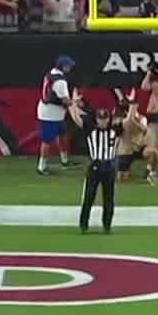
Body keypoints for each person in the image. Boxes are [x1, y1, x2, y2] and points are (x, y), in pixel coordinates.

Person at [68, 99, 120, 235]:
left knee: (109, 199)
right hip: (95, 166)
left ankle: (107, 226)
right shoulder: (90, 130)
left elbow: (127, 119)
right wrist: (72, 104)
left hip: (109, 166)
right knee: (89, 196)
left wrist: (132, 104)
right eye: (100, 119)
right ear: (96, 119)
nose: (102, 121)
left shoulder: (115, 130)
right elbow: (77, 119)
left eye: (104, 119)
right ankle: (84, 225)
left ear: (108, 119)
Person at [36, 55, 75, 176]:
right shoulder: (60, 81)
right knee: (47, 140)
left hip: (53, 112)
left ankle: (64, 160)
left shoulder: (51, 74)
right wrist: (76, 102)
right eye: (68, 66)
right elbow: (65, 101)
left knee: (62, 135)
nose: (70, 68)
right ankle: (42, 167)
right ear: (63, 66)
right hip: (51, 114)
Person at [115, 91, 158, 183]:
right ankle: (124, 170)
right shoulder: (120, 119)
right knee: (121, 179)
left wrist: (134, 120)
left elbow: (143, 128)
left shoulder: (141, 118)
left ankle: (150, 172)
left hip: (139, 147)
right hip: (126, 149)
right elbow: (120, 129)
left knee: (153, 152)